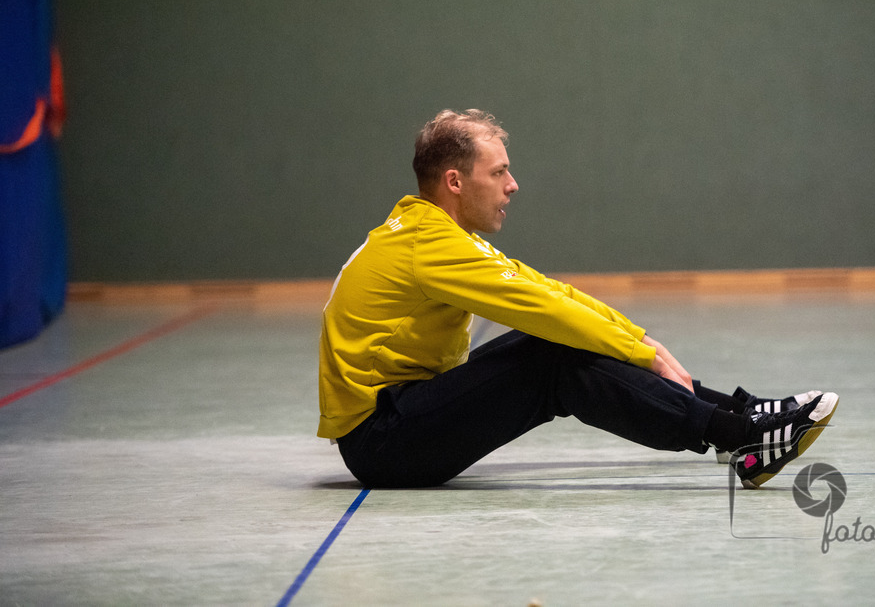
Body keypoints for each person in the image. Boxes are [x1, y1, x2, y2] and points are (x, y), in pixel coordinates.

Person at [318, 109, 838, 489]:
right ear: (455, 181)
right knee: (550, 357)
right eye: (498, 172)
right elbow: (544, 310)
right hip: (383, 441)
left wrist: (639, 339)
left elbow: (551, 293)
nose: (513, 185)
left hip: (399, 420)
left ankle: (740, 414)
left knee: (553, 340)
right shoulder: (427, 243)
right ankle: (740, 437)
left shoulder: (435, 232)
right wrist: (644, 353)